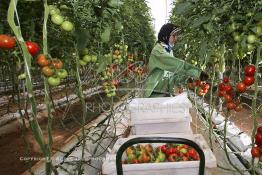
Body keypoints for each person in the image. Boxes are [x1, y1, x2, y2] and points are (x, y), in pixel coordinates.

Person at [143, 23, 208, 97]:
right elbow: (176, 65)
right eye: (173, 36)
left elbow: (172, 74)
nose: (175, 39)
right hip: (154, 94)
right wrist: (198, 73)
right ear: (166, 36)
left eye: (176, 36)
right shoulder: (158, 51)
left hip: (165, 93)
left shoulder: (169, 51)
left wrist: (188, 81)